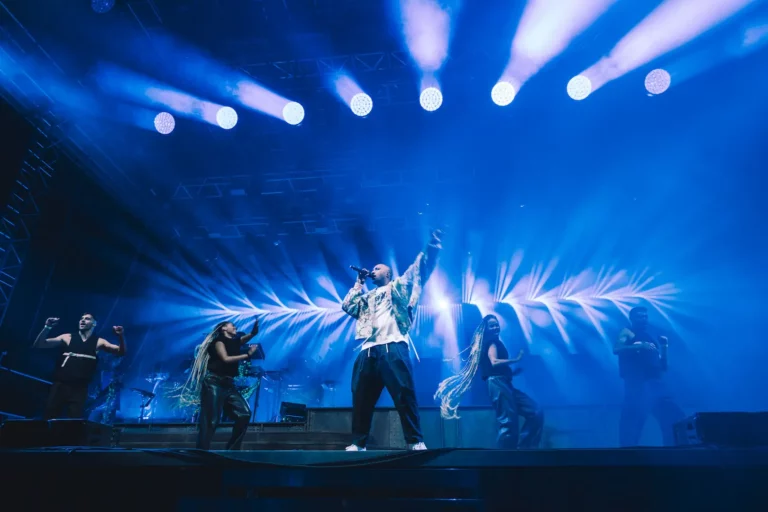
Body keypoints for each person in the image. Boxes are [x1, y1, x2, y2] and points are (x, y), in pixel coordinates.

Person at [341, 229, 442, 451]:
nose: (373, 271)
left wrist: (432, 246)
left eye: (377, 269)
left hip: (393, 345)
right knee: (361, 399)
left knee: (404, 394)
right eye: (372, 269)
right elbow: (347, 306)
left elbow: (418, 269)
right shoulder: (366, 298)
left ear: (388, 274)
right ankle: (358, 442)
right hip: (367, 350)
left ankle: (415, 440)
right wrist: (358, 283)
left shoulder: (398, 288)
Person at [435, 315, 544, 449]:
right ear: (486, 329)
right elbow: (494, 362)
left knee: (535, 411)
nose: (495, 327)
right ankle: (504, 460)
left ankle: (525, 450)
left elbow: (496, 369)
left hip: (504, 383)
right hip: (498, 384)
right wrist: (515, 360)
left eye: (496, 324)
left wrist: (512, 373)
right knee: (508, 423)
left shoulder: (495, 342)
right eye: (491, 325)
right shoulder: (492, 342)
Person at [178, 319, 261, 451]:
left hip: (228, 385)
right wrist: (247, 355)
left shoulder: (235, 342)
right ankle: (202, 451)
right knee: (211, 420)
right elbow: (225, 359)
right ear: (223, 328)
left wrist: (254, 331)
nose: (235, 327)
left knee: (244, 414)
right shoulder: (218, 342)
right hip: (214, 383)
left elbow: (248, 336)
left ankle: (233, 450)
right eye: (232, 325)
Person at [33, 313, 126, 420]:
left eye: (87, 319)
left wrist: (121, 336)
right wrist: (47, 327)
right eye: (81, 318)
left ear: (94, 323)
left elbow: (121, 351)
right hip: (60, 385)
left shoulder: (99, 342)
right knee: (49, 416)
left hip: (80, 389)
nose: (82, 320)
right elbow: (39, 344)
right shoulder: (67, 337)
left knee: (73, 421)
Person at [615, 306, 684, 446]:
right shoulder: (627, 331)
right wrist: (639, 346)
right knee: (633, 419)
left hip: (656, 384)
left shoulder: (649, 339)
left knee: (672, 416)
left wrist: (664, 347)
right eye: (640, 316)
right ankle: (627, 453)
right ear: (632, 318)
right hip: (637, 383)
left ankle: (673, 451)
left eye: (645, 316)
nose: (644, 319)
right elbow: (617, 348)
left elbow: (664, 366)